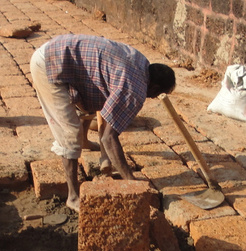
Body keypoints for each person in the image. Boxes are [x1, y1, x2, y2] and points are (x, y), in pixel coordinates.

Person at [30, 34, 176, 212]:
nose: (152, 98)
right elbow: (108, 138)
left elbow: (110, 106)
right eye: (155, 95)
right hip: (49, 65)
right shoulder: (134, 90)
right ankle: (73, 197)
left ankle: (83, 142)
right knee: (69, 134)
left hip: (62, 54)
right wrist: (130, 180)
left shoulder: (141, 62)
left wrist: (106, 158)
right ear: (154, 87)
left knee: (94, 99)